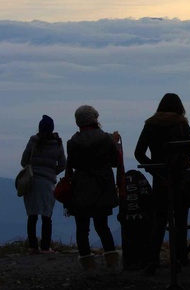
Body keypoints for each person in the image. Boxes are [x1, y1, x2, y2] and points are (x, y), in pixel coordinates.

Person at [134, 93, 190, 275]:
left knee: (159, 220)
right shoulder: (181, 123)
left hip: (160, 178)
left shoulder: (150, 123)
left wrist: (154, 169)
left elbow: (139, 152)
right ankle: (180, 258)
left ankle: (153, 260)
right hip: (180, 176)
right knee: (181, 219)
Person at [66, 105, 122, 272]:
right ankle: (111, 262)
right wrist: (115, 143)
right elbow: (115, 162)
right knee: (102, 226)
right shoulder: (106, 139)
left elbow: (72, 165)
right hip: (102, 186)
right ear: (95, 118)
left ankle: (88, 265)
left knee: (82, 228)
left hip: (80, 186)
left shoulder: (72, 142)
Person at [21, 114, 66, 255]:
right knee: (47, 216)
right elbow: (63, 164)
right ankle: (46, 247)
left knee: (32, 215)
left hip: (32, 182)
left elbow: (24, 161)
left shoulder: (33, 141)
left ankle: (33, 247)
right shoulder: (57, 143)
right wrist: (52, 172)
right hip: (48, 183)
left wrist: (33, 169)